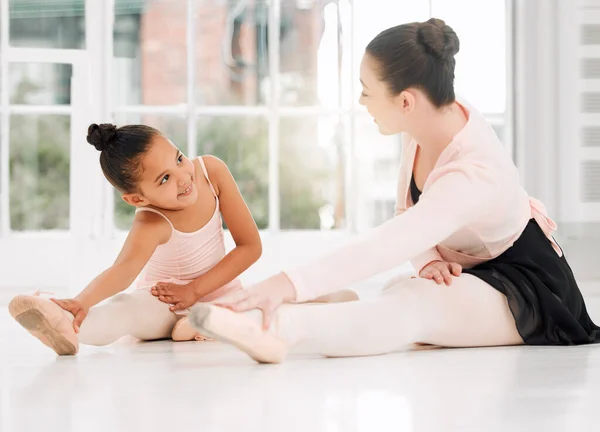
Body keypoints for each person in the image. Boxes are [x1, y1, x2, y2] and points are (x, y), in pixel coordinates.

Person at [168, 18, 600, 364]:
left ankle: (274, 329)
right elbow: (405, 213)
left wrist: (283, 284)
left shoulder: (474, 171)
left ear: (406, 100)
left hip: (532, 292)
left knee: (412, 306)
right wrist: (430, 259)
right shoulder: (428, 122)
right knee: (403, 290)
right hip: (475, 273)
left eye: (366, 90)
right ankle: (290, 316)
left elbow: (385, 244)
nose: (361, 101)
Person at [9, 123, 358, 355]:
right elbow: (123, 271)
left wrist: (195, 291)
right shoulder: (150, 221)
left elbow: (250, 246)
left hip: (220, 291)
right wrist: (82, 300)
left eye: (178, 158)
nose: (183, 176)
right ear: (137, 199)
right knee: (126, 311)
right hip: (164, 301)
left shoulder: (211, 172)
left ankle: (199, 324)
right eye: (164, 179)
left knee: (296, 300)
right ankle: (66, 323)